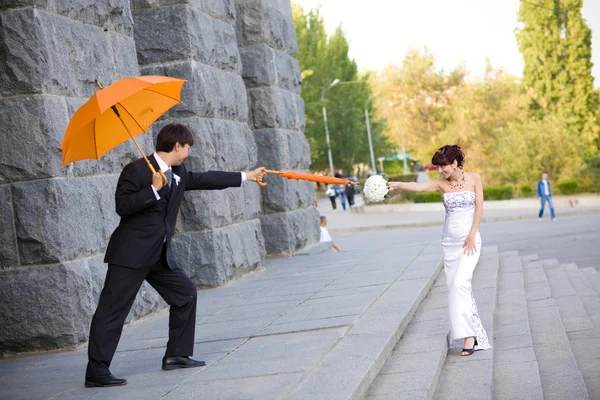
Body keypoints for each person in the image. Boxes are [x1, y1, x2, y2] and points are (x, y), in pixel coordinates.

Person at [85, 123, 267, 387]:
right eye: (188, 146)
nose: (189, 152)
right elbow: (122, 207)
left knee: (185, 294)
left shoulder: (178, 172)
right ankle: (97, 371)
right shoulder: (135, 170)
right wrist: (153, 190)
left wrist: (247, 176)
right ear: (176, 145)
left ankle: (176, 355)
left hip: (159, 255)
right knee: (112, 311)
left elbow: (207, 179)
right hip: (130, 254)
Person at [388, 144, 491, 356]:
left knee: (461, 283)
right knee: (455, 287)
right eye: (438, 167)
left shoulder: (474, 179)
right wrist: (397, 184)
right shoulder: (440, 184)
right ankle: (469, 334)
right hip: (450, 244)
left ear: (454, 163)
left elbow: (479, 207)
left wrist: (472, 234)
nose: (440, 171)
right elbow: (418, 188)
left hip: (469, 241)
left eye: (443, 166)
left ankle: (471, 338)